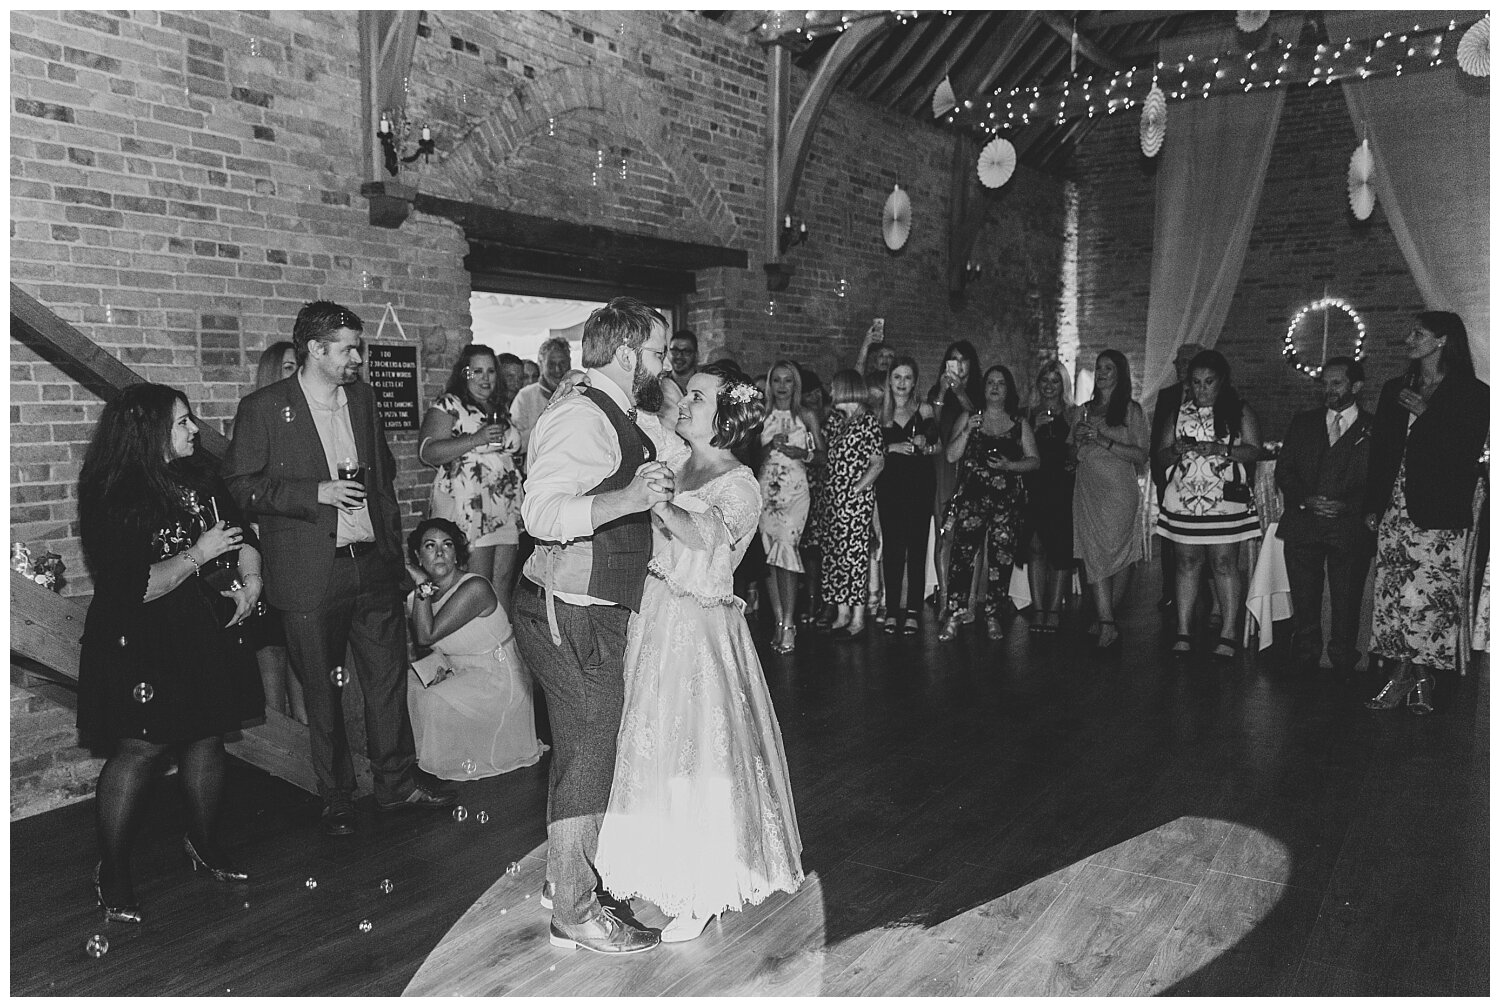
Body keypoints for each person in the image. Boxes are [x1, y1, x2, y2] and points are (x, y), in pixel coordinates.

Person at [225, 300, 455, 838]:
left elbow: (383, 483)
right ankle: (338, 795)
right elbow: (238, 485)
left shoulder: (364, 400)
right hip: (309, 573)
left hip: (371, 566)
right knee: (322, 693)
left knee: (387, 681)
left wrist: (396, 557)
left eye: (359, 347)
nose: (358, 357)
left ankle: (398, 784)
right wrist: (315, 493)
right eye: (349, 348)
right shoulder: (263, 408)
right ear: (315, 349)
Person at [595, 365, 803, 943]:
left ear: (727, 415)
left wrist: (659, 505)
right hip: (655, 611)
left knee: (696, 752)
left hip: (699, 625)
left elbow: (709, 537)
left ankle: (701, 890)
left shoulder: (740, 481)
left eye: (697, 396)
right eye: (685, 393)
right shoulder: (674, 457)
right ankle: (656, 866)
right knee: (652, 740)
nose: (683, 402)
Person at [512, 296, 673, 956]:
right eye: (661, 352)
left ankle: (566, 881)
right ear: (630, 353)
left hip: (591, 607)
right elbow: (540, 511)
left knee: (582, 746)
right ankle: (575, 909)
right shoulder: (582, 414)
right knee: (589, 751)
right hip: (569, 607)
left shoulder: (608, 410)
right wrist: (629, 499)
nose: (666, 365)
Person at [78, 383, 266, 922]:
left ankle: (204, 841)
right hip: (141, 636)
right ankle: (112, 868)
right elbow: (135, 587)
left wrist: (251, 579)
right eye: (182, 422)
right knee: (141, 749)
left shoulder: (202, 473)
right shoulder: (112, 491)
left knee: (207, 736)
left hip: (202, 627)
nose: (193, 430)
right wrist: (197, 553)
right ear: (149, 432)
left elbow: (241, 531)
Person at [1363, 312, 1488, 713]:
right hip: (1395, 507)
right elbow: (1381, 451)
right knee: (1395, 597)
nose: (1408, 339)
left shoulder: (1473, 393)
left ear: (1442, 341)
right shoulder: (1394, 389)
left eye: (1418, 334)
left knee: (1429, 599)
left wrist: (1427, 414)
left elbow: (1466, 453)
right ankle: (1410, 677)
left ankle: (1413, 677)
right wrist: (1373, 503)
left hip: (1439, 509)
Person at [402, 518, 543, 780]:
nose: (440, 553)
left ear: (457, 553)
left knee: (432, 699)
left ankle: (447, 762)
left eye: (447, 545)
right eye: (430, 546)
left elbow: (425, 635)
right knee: (409, 683)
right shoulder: (418, 597)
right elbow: (439, 648)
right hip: (462, 670)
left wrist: (420, 583)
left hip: (499, 678)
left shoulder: (474, 587)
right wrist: (441, 671)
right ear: (418, 556)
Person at [1155, 349, 1265, 659]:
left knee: (1223, 563)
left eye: (1208, 382)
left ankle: (1229, 631)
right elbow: (1161, 456)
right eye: (1196, 382)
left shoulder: (1239, 410)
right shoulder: (1178, 413)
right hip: (1185, 498)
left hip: (1224, 499)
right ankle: (1183, 630)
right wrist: (1176, 450)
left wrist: (1220, 448)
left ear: (1222, 382)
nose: (1202, 389)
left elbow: (1255, 450)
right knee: (1187, 563)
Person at [1275, 356, 1375, 677]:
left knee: (1347, 597)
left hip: (1348, 526)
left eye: (1337, 383)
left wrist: (1349, 506)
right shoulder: (1303, 422)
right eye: (1325, 383)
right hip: (1304, 523)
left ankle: (1343, 658)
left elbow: (1379, 480)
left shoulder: (1374, 428)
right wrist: (1306, 499)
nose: (1328, 390)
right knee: (1304, 597)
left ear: (1356, 387)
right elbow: (1284, 471)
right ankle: (1305, 656)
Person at [417, 344, 524, 613]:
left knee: (502, 585)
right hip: (471, 507)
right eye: (477, 371)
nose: (485, 378)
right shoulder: (449, 405)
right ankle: (473, 651)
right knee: (477, 586)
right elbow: (427, 452)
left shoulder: (498, 407)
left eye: (490, 371)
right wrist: (476, 439)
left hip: (504, 505)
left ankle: (501, 649)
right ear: (464, 373)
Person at [939, 365, 1039, 642]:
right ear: (983, 389)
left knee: (1001, 560)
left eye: (1001, 383)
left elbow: (1034, 460)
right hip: (972, 500)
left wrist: (1010, 465)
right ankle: (954, 615)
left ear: (1008, 390)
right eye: (990, 383)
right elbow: (950, 456)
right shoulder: (969, 417)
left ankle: (993, 615)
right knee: (961, 559)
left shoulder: (1019, 423)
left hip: (1005, 503)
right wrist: (967, 432)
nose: (995, 387)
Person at [1070, 350, 1150, 651]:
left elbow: (1142, 455)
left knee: (1119, 557)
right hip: (1088, 490)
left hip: (1118, 492)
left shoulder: (1132, 411)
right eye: (1099, 367)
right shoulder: (1082, 411)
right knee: (1094, 554)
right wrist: (1077, 440)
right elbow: (1069, 455)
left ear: (1120, 373)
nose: (1102, 372)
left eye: (1109, 368)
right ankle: (1106, 622)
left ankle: (1107, 618)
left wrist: (1103, 440)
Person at [245, 341, 307, 722]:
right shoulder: (256, 419)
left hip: (302, 552)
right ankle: (278, 753)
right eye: (287, 368)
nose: (296, 375)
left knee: (302, 656)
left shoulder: (309, 422)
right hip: (266, 549)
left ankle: (308, 748)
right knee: (270, 652)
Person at [758, 360, 823, 653]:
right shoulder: (761, 415)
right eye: (777, 380)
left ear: (795, 385)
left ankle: (789, 622)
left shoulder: (806, 415)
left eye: (788, 381)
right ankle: (779, 620)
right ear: (770, 384)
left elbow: (823, 456)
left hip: (795, 491)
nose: (782, 386)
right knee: (770, 557)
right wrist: (769, 444)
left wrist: (803, 452)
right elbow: (748, 455)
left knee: (786, 548)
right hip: (766, 489)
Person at [814, 369, 885, 638]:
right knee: (835, 555)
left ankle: (857, 615)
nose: (831, 392)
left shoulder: (868, 422)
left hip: (855, 499)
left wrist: (855, 490)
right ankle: (842, 611)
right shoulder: (836, 421)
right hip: (832, 497)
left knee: (854, 555)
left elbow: (877, 463)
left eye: (835, 387)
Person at [876, 357, 939, 635]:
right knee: (892, 549)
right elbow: (870, 450)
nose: (902, 383)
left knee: (916, 548)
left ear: (915, 382)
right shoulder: (880, 412)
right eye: (897, 377)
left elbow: (936, 441)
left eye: (908, 378)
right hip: (890, 486)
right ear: (890, 380)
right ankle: (891, 609)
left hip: (920, 485)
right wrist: (892, 448)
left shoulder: (923, 409)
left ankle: (913, 609)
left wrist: (925, 443)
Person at [1024, 359, 1079, 634]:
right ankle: (1038, 609)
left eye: (1055, 380)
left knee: (1060, 551)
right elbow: (1018, 450)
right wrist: (1033, 427)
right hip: (1034, 485)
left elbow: (1077, 450)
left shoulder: (1073, 413)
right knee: (1035, 547)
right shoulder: (1028, 413)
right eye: (1045, 380)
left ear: (1063, 385)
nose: (1049, 386)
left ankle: (1054, 610)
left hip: (1061, 487)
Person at [930, 340, 984, 620]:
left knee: (973, 538)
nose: (958, 364)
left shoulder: (978, 390)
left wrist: (960, 392)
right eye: (953, 358)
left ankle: (970, 602)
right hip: (943, 466)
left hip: (973, 466)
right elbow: (933, 424)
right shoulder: (938, 391)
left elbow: (981, 418)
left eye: (963, 359)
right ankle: (945, 598)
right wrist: (942, 389)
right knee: (945, 535)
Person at [1149, 343, 1203, 612]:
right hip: (1171, 477)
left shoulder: (1216, 395)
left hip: (1203, 480)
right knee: (1170, 539)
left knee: (1202, 540)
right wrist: (1160, 477)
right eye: (1178, 363)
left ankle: (1201, 592)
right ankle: (1170, 590)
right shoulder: (1168, 395)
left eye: (1187, 362)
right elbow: (1157, 436)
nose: (1180, 368)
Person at [510, 336, 573, 462]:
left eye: (562, 363)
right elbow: (515, 445)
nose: (558, 370)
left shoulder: (580, 394)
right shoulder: (525, 397)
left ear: (570, 363)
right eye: (551, 364)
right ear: (540, 364)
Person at [665, 328, 699, 394]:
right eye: (675, 350)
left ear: (696, 355)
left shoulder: (703, 384)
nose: (679, 356)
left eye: (686, 351)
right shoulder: (661, 385)